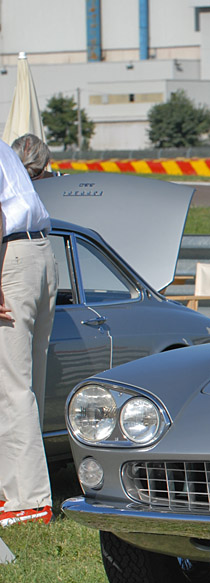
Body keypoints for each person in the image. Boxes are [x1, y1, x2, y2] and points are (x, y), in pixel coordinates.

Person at [0, 139, 58, 527]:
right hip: (41, 251)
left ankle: (26, 501)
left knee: (10, 384)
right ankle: (24, 492)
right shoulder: (4, 146)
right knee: (26, 382)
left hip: (12, 257)